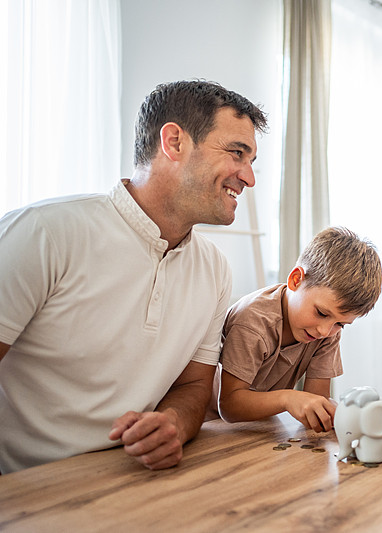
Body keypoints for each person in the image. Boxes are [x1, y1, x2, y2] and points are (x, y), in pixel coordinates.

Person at [0, 80, 268, 474]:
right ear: (174, 142)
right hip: (22, 492)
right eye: (236, 153)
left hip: (136, 485)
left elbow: (193, 388)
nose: (249, 177)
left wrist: (175, 424)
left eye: (251, 161)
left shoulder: (214, 270)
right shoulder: (42, 234)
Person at [213, 226, 382, 433]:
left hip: (262, 428)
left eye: (340, 324)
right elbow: (229, 407)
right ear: (296, 280)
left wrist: (338, 418)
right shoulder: (253, 321)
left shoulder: (328, 331)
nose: (324, 331)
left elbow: (316, 401)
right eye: (321, 313)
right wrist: (287, 398)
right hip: (213, 427)